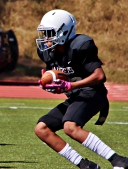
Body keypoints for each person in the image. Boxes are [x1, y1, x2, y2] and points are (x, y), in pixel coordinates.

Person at [34, 9, 128, 169]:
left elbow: (99, 76)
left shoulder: (81, 46)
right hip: (76, 96)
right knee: (42, 129)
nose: (46, 39)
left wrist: (71, 85)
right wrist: (51, 84)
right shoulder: (47, 53)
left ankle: (119, 161)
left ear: (63, 32)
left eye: (49, 33)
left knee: (70, 126)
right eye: (44, 34)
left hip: (93, 93)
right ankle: (86, 166)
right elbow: (59, 75)